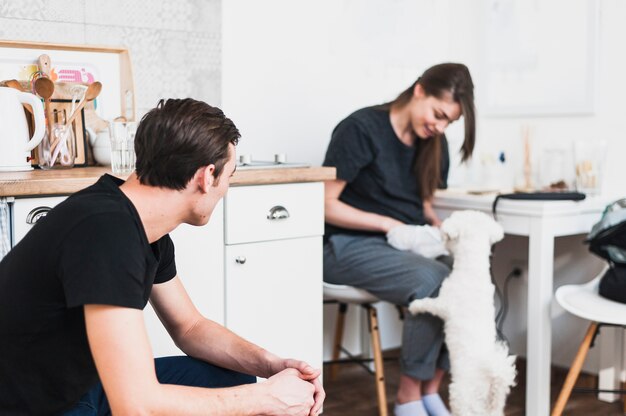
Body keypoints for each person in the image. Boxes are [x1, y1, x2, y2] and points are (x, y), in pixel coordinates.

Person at [0, 98, 324, 416]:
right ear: (207, 176)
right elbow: (136, 405)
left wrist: (272, 365)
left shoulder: (140, 226)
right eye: (230, 177)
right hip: (35, 406)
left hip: (81, 387)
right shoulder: (105, 232)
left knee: (233, 380)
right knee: (246, 398)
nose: (226, 188)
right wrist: (265, 399)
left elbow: (190, 327)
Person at [322, 63, 475, 416]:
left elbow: (423, 205)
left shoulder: (434, 144)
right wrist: (388, 225)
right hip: (346, 244)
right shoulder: (360, 129)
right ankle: (408, 397)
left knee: (474, 280)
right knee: (433, 281)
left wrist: (441, 232)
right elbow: (325, 204)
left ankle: (429, 390)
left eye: (449, 122)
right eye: (439, 114)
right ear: (419, 89)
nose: (440, 127)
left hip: (404, 245)